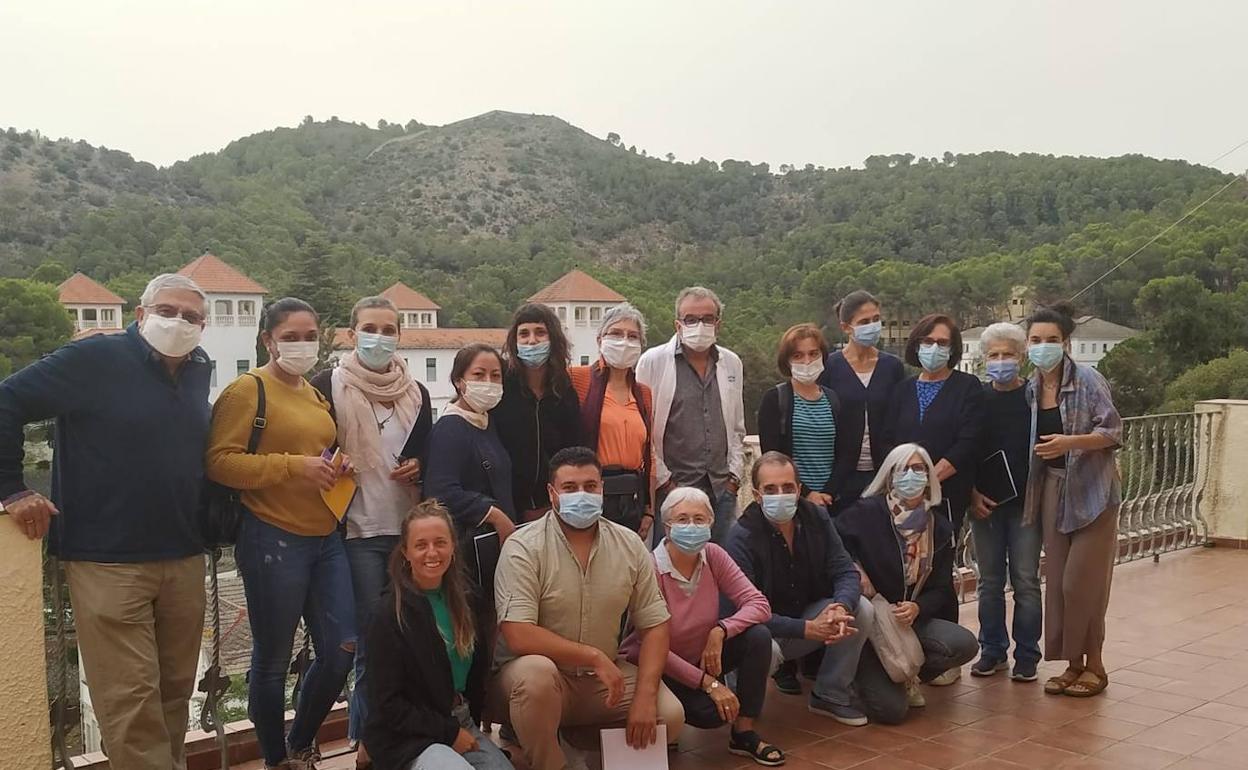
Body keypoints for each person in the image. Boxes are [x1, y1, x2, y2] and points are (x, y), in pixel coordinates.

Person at [0, 273, 211, 770]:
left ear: (204, 326)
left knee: (175, 695)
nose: (178, 322)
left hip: (183, 555)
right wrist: (12, 488)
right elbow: (6, 399)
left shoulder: (198, 368)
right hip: (107, 561)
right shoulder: (94, 359)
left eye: (191, 316)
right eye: (168, 310)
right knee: (132, 704)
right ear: (141, 315)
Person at [206, 297, 357, 770]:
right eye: (290, 336)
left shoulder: (312, 393)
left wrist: (335, 462)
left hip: (325, 536)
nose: (302, 344)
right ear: (268, 340)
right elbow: (219, 461)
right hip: (273, 538)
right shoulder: (246, 391)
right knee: (272, 660)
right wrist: (294, 467)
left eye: (309, 335)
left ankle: (300, 741)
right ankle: (277, 759)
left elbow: (316, 447)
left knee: (341, 650)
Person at [491, 447, 685, 770]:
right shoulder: (523, 546)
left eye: (590, 486)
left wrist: (645, 696)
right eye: (569, 488)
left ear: (602, 489)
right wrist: (592, 656)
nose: (581, 495)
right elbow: (517, 634)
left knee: (670, 716)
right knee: (536, 677)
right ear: (552, 494)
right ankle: (552, 761)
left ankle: (566, 740)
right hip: (537, 679)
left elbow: (655, 625)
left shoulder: (629, 544)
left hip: (600, 681)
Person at [310, 296, 433, 769]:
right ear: (352, 331)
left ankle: (400, 734)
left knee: (409, 635)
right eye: (370, 327)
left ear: (400, 335)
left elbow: (425, 450)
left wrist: (420, 463)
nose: (380, 336)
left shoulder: (417, 391)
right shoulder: (327, 386)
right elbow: (313, 449)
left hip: (408, 532)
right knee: (369, 641)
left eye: (389, 328)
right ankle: (366, 744)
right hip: (358, 530)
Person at [621, 487, 782, 766]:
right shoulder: (649, 567)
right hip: (656, 665)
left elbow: (759, 604)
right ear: (666, 526)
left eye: (699, 519)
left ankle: (744, 733)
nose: (691, 526)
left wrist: (721, 629)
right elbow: (647, 642)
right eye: (682, 519)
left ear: (711, 523)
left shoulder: (714, 555)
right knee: (710, 713)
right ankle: (668, 723)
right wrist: (708, 683)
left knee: (759, 636)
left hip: (699, 655)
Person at [724, 451, 873, 727]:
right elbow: (746, 612)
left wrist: (840, 606)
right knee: (761, 644)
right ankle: (740, 702)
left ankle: (830, 693)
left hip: (804, 620)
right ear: (757, 495)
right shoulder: (740, 538)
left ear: (799, 490)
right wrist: (806, 629)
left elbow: (844, 569)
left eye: (787, 488)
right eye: (770, 489)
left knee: (861, 608)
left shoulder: (816, 517)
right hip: (760, 634)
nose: (780, 495)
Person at [835, 444, 979, 724]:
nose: (911, 476)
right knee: (892, 713)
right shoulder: (866, 513)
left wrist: (917, 607)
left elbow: (941, 588)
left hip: (907, 621)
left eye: (919, 469)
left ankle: (905, 672)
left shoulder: (939, 528)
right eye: (904, 469)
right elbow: (833, 542)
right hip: (870, 622)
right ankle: (862, 676)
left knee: (964, 644)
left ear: (929, 478)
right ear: (890, 476)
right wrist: (854, 569)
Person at [364, 500, 513, 770]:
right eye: (421, 545)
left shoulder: (469, 599)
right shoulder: (387, 614)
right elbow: (386, 704)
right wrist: (449, 734)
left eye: (440, 542)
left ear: (453, 547)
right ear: (406, 552)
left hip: (460, 718)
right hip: (405, 736)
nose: (432, 552)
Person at [1022, 303, 1123, 699]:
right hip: (1052, 490)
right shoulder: (1031, 387)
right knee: (1059, 585)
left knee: (1083, 583)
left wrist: (1071, 443)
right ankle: (1073, 665)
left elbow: (1113, 431)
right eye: (1035, 340)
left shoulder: (1088, 379)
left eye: (1051, 340)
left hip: (1094, 493)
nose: (1042, 347)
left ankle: (1096, 665)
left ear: (1066, 343)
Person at [637, 286, 746, 544]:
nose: (700, 325)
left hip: (721, 492)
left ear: (718, 325)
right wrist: (667, 484)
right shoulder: (653, 362)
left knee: (719, 568)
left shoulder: (731, 363)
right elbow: (645, 430)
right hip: (672, 492)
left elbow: (737, 428)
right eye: (691, 319)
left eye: (708, 318)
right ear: (677, 325)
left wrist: (734, 479)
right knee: (670, 570)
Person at [884, 314, 984, 587]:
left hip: (947, 497)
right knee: (904, 568)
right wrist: (906, 482)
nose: (934, 347)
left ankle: (943, 628)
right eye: (927, 341)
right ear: (916, 345)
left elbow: (968, 441)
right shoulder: (902, 390)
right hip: (902, 497)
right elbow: (889, 439)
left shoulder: (968, 387)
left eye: (942, 342)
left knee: (938, 571)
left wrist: (928, 481)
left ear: (952, 349)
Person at [968, 323, 1042, 683]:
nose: (1000, 362)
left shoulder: (1034, 397)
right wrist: (971, 495)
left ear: (1021, 357)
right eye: (994, 355)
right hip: (985, 505)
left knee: (1026, 580)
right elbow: (965, 449)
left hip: (1027, 505)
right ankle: (992, 650)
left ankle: (1027, 655)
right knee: (989, 581)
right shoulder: (977, 398)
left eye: (1007, 355)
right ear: (984, 359)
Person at [422, 343, 516, 586]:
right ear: (459, 381)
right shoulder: (450, 428)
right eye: (478, 374)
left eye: (495, 376)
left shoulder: (486, 422)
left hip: (496, 547)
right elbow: (441, 492)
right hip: (469, 551)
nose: (488, 382)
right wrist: (495, 515)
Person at [569, 303, 656, 539]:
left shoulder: (643, 393)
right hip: (590, 494)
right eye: (616, 333)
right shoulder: (578, 380)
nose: (624, 341)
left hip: (631, 499)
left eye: (632, 336)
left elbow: (648, 454)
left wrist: (649, 510)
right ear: (600, 340)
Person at [817, 291, 906, 515]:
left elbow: (899, 419)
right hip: (840, 479)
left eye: (876, 319)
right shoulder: (829, 366)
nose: (872, 326)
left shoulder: (892, 367)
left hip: (883, 476)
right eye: (864, 322)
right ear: (846, 327)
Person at [495, 303, 580, 521]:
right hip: (506, 506)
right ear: (514, 342)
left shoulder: (564, 389)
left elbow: (573, 447)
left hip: (553, 506)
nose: (532, 340)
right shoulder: (501, 386)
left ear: (553, 339)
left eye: (540, 332)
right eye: (524, 334)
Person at [758, 323, 842, 511]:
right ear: (787, 361)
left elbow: (843, 453)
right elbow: (772, 456)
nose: (807, 361)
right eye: (798, 355)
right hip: (790, 501)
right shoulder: (775, 399)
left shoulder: (833, 399)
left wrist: (828, 492)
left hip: (829, 502)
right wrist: (807, 493)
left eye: (813, 354)